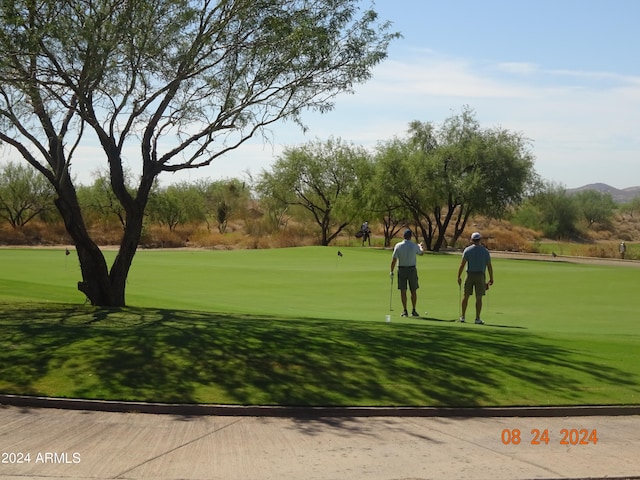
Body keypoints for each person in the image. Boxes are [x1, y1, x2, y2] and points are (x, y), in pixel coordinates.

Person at [457, 232, 494, 325]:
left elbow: (462, 264)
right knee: (479, 297)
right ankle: (477, 318)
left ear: (471, 240)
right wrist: (491, 278)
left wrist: (459, 276)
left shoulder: (467, 250)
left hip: (469, 274)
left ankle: (463, 316)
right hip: (480, 275)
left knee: (466, 296)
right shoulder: (485, 251)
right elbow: (489, 266)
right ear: (480, 240)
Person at [390, 229, 425, 317]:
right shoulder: (414, 246)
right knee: (413, 290)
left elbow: (394, 260)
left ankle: (405, 310)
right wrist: (420, 246)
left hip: (401, 269)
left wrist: (391, 271)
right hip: (411, 269)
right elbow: (421, 253)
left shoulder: (398, 245)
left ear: (403, 236)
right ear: (410, 236)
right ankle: (413, 310)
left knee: (403, 290)